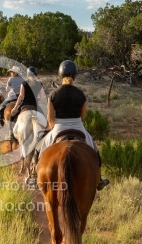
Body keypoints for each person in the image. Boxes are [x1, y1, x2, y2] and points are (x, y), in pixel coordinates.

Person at [33, 60, 109, 190]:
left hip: (58, 128)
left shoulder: (53, 94)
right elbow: (83, 116)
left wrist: (51, 128)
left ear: (60, 75)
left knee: (38, 149)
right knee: (95, 151)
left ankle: (34, 177)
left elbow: (50, 118)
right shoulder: (80, 94)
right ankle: (99, 179)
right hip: (78, 127)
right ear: (75, 75)